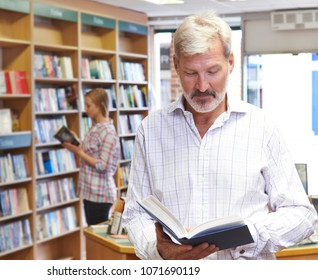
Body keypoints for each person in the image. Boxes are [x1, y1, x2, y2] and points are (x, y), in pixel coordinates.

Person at [122, 11, 317, 260]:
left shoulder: (261, 127)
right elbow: (135, 213)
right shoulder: (151, 130)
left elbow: (301, 213)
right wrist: (158, 249)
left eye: (213, 71)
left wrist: (250, 234)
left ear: (231, 62)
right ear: (176, 65)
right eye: (191, 73)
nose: (202, 86)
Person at [62, 88, 120, 225]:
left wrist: (80, 153)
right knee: (91, 236)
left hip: (100, 194)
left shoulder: (108, 133)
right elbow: (91, 151)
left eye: (89, 105)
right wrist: (76, 143)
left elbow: (103, 165)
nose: (85, 109)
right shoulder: (95, 127)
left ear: (100, 106)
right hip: (89, 191)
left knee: (97, 241)